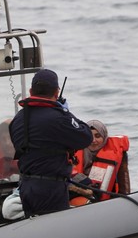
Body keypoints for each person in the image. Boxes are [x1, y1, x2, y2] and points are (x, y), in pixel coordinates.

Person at [9, 68, 93, 216]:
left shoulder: (17, 120)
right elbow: (86, 136)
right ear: (56, 92)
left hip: (26, 187)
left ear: (30, 91)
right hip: (51, 188)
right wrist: (66, 112)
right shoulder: (59, 118)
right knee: (56, 233)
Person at [69, 120, 130, 204]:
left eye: (98, 136)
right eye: (90, 136)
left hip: (108, 201)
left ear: (104, 137)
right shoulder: (73, 152)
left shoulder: (117, 154)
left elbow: (124, 185)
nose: (93, 140)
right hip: (78, 198)